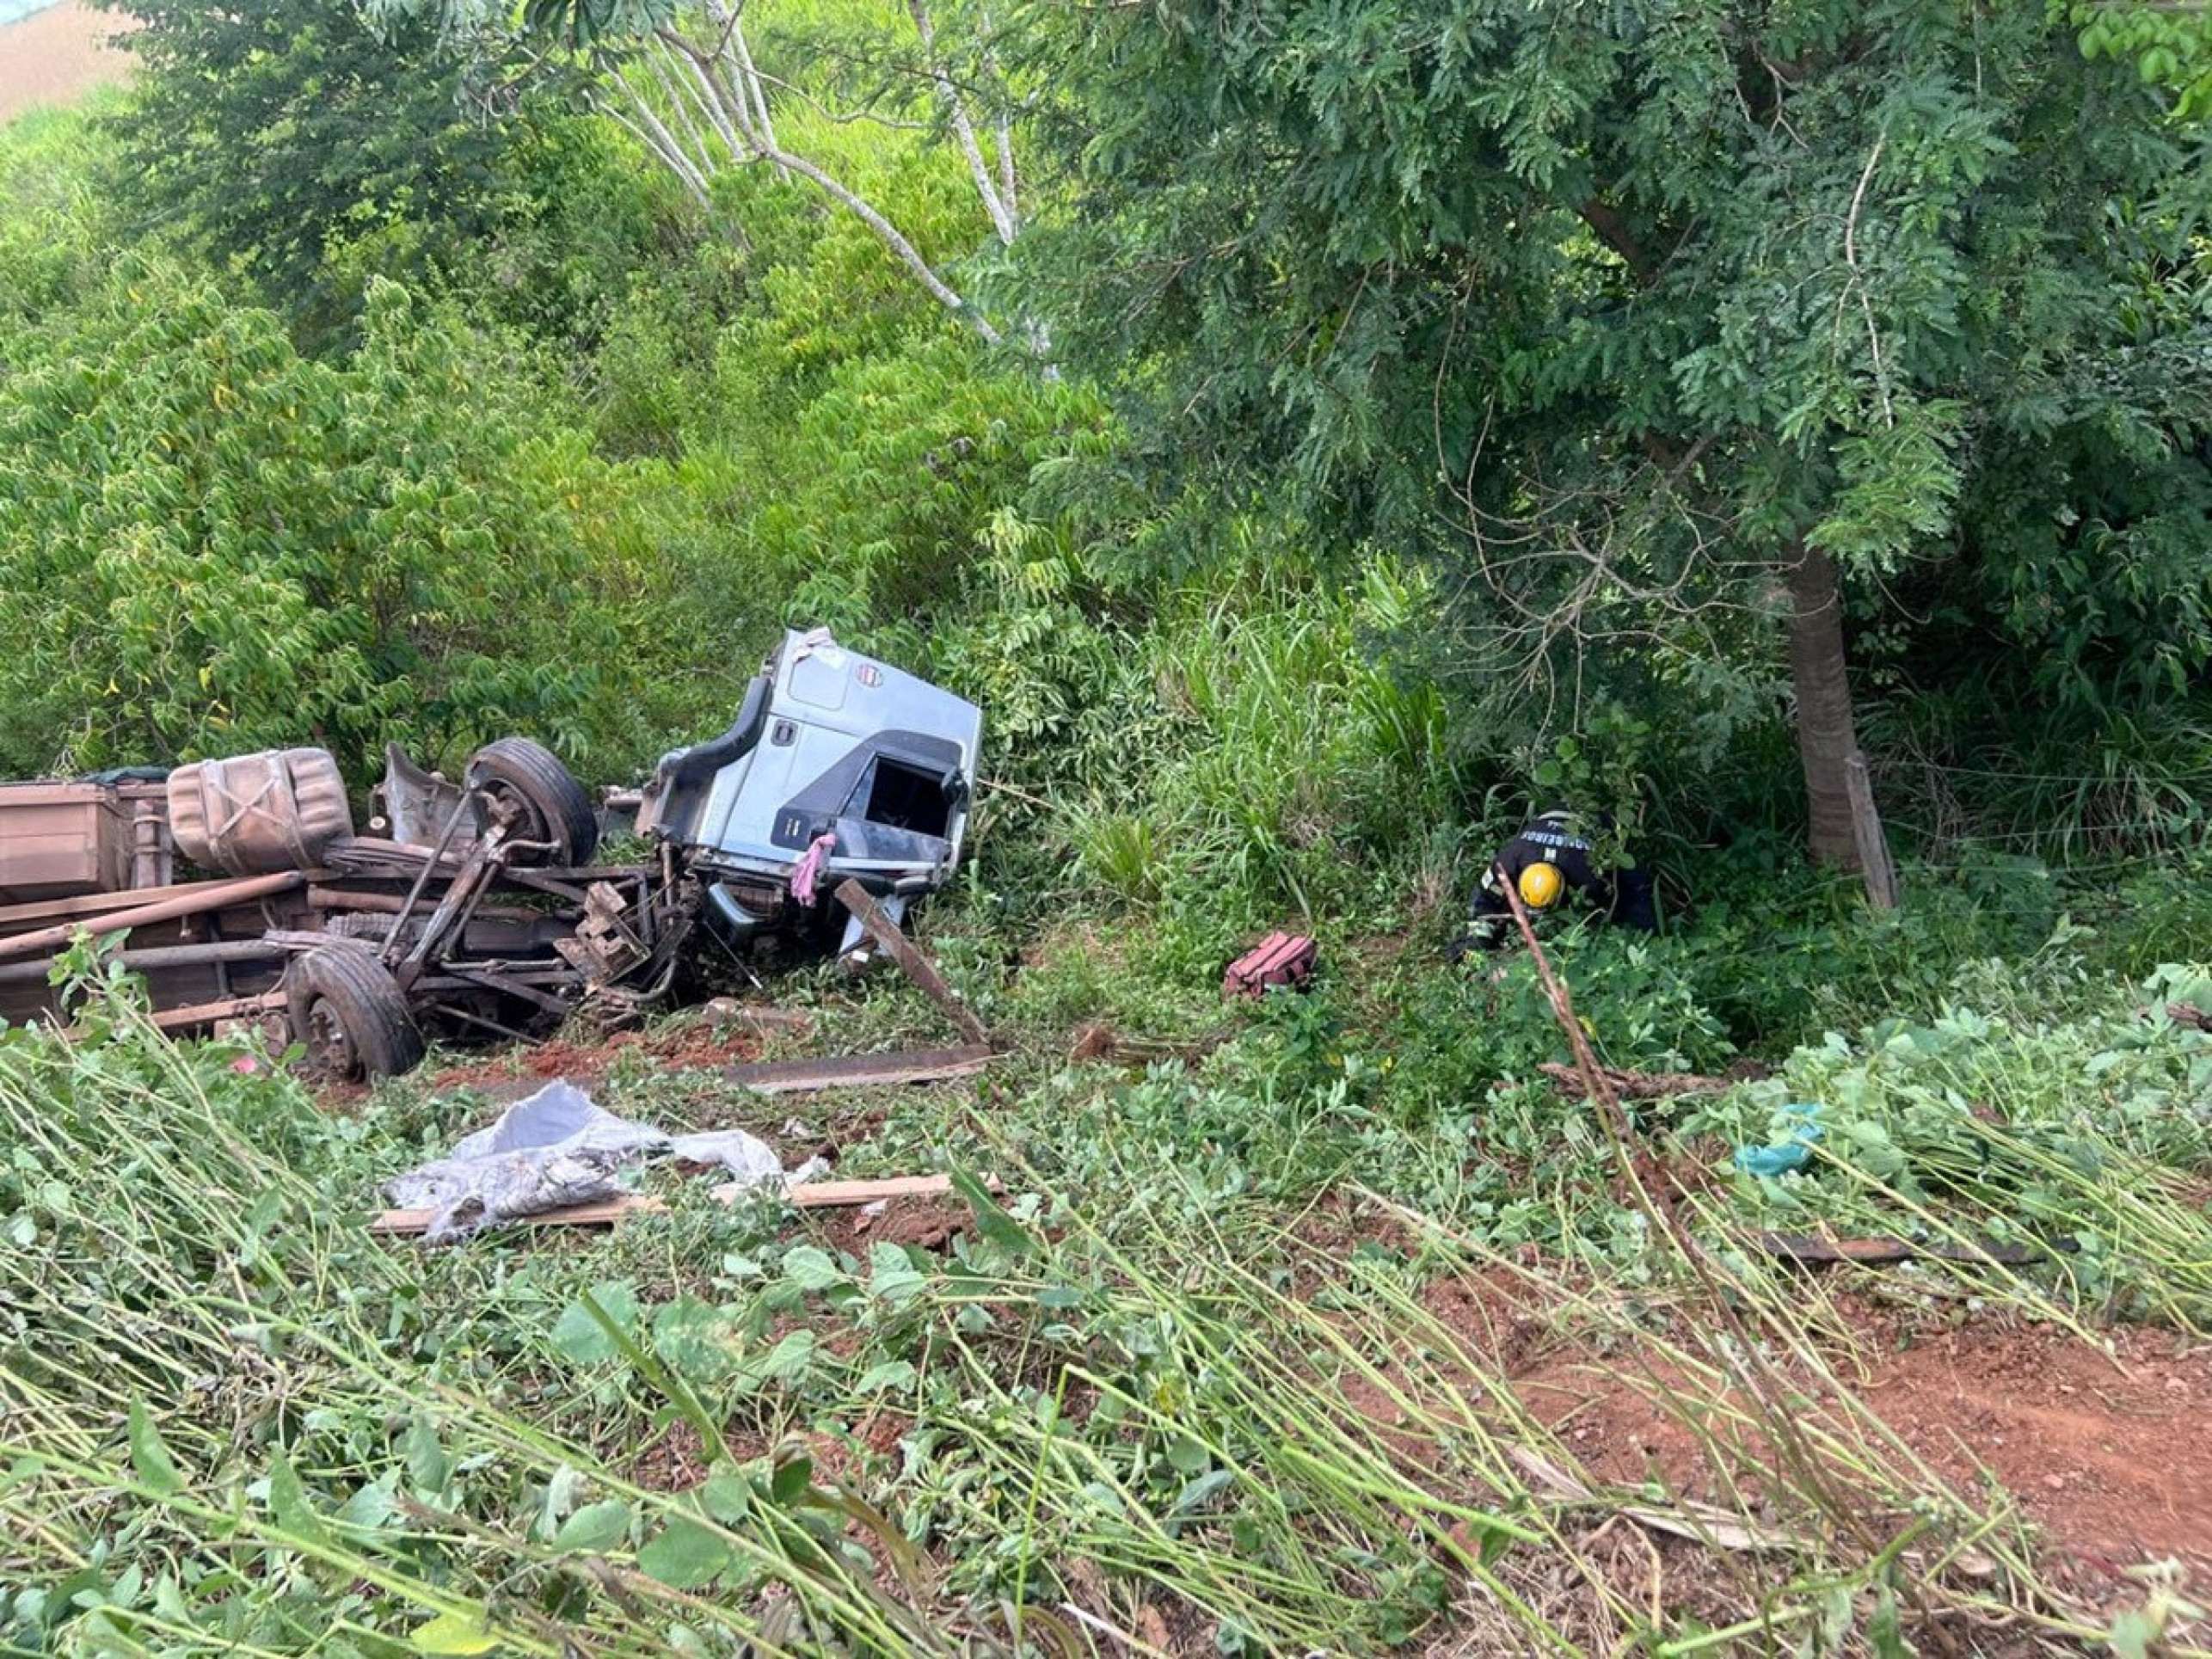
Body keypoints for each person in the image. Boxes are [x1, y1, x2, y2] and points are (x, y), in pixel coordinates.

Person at [1451, 808, 1657, 955]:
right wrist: (1479, 938)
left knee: (1633, 885)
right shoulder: (1508, 862)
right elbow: (1485, 896)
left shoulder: (1588, 873)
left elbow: (1603, 906)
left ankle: (1646, 942)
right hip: (1548, 815)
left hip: (1593, 821)